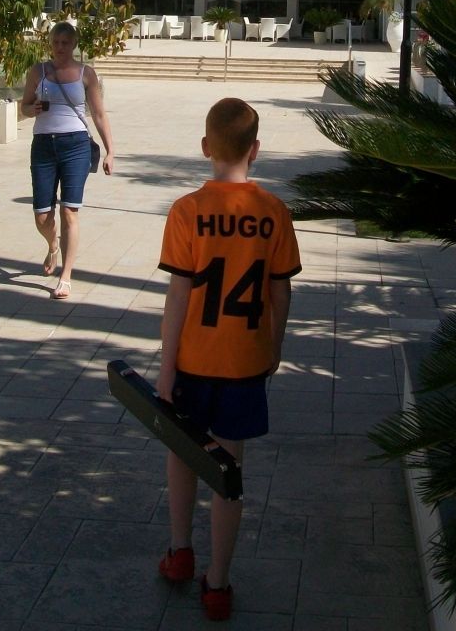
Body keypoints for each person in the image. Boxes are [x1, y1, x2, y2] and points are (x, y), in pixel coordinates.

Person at [155, 97, 301, 621]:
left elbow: (178, 297)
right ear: (256, 150)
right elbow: (280, 294)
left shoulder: (187, 211)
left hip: (193, 359)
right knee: (228, 470)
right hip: (243, 364)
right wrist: (274, 347)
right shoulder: (273, 213)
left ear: (204, 148)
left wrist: (166, 367)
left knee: (182, 454)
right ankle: (218, 582)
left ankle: (179, 551)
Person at [20, 21, 114, 299]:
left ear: (74, 45)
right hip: (44, 146)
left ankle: (66, 275)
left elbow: (98, 114)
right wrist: (31, 109)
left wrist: (111, 151)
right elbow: (23, 107)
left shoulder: (87, 74)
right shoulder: (38, 71)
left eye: (65, 43)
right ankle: (53, 245)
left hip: (75, 145)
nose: (60, 47)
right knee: (42, 216)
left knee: (69, 211)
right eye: (55, 43)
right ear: (50, 44)